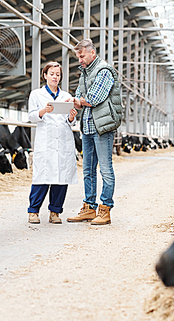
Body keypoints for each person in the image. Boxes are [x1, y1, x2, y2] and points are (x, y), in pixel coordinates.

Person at [67, 39, 123, 226]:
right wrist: (76, 101)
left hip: (102, 128)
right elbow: (78, 95)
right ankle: (89, 208)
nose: (80, 60)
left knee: (105, 170)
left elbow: (94, 98)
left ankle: (105, 209)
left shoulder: (104, 71)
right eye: (78, 57)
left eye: (82, 56)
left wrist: (79, 101)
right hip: (88, 127)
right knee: (88, 171)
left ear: (92, 53)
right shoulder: (84, 73)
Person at [27, 62, 78, 224]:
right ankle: (33, 211)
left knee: (61, 179)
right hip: (46, 141)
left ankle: (55, 212)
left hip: (63, 141)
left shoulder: (66, 96)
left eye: (58, 74)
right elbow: (32, 116)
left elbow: (70, 122)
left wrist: (71, 116)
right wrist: (43, 111)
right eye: (52, 74)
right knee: (42, 177)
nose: (55, 77)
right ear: (45, 75)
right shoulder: (36, 95)